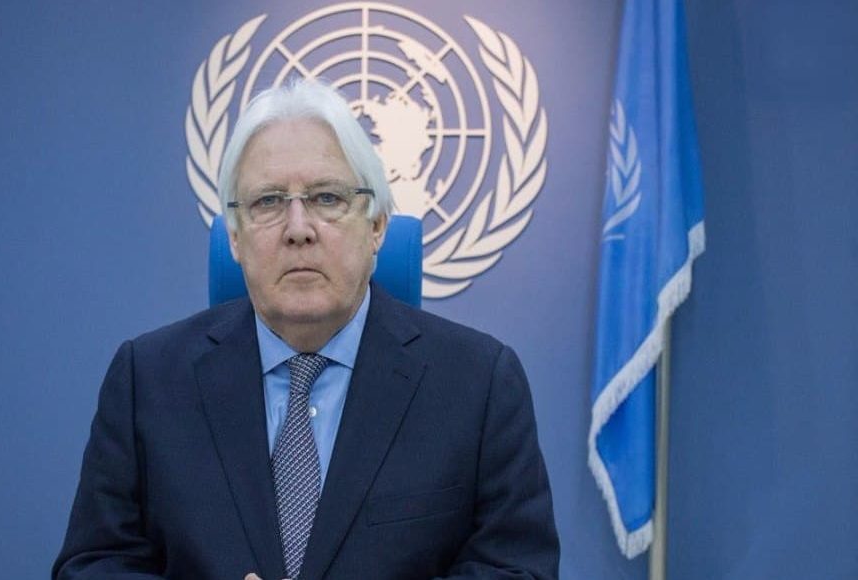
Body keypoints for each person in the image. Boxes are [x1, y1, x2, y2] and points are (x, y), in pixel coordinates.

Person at [53, 78, 559, 580]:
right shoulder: (148, 381)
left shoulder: (478, 384)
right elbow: (92, 566)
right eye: (268, 202)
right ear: (235, 237)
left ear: (377, 225)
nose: (298, 229)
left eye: (327, 198)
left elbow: (519, 571)